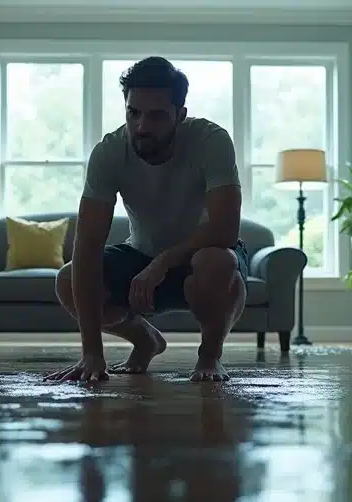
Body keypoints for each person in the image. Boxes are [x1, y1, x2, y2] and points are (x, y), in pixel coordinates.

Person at [45, 56, 249, 383]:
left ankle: (210, 355)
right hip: (140, 253)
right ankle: (145, 340)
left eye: (156, 116)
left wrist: (163, 263)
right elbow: (87, 246)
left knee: (217, 262)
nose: (142, 127)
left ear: (179, 115)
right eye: (133, 113)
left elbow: (225, 230)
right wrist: (92, 353)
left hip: (206, 256)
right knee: (67, 279)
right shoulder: (109, 153)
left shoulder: (212, 141)